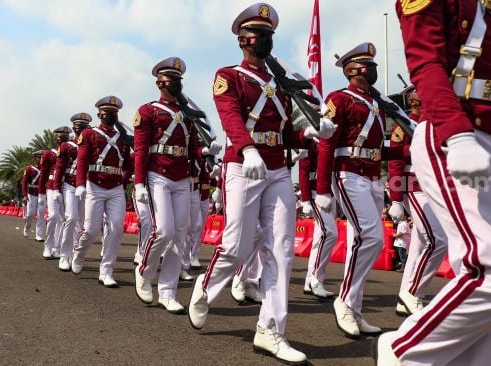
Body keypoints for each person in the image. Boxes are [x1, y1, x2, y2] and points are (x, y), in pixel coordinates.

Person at [186, 3, 334, 364]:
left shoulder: (281, 85)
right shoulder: (229, 76)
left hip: (276, 169)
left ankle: (271, 330)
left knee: (281, 250)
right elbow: (231, 117)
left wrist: (310, 133)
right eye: (260, 35)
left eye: (270, 35)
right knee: (235, 245)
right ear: (243, 39)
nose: (266, 41)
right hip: (242, 166)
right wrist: (247, 149)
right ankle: (205, 287)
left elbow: (285, 131)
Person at [375, 2, 491, 365]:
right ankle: (403, 351)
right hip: (456, 132)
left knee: (486, 286)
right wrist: (457, 136)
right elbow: (425, 64)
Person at [315, 42, 407, 340]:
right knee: (371, 236)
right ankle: (345, 300)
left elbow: (379, 149)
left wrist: (408, 150)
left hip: (372, 176)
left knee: (366, 240)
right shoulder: (338, 99)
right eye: (369, 65)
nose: (374, 70)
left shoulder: (378, 104)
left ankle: (353, 307)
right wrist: (322, 189)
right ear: (352, 70)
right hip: (348, 174)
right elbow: (327, 143)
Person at [133, 56, 218, 314]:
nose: (177, 84)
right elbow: (140, 150)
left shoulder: (188, 115)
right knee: (164, 231)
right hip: (157, 173)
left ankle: (167, 291)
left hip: (182, 176)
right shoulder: (148, 111)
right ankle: (145, 271)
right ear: (160, 82)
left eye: (179, 80)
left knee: (180, 234)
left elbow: (192, 148)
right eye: (172, 79)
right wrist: (138, 184)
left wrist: (205, 151)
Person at [386, 88, 448, 317]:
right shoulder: (403, 126)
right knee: (438, 240)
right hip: (415, 185)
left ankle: (406, 297)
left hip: (435, 187)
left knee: (420, 246)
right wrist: (395, 199)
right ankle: (413, 293)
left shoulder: (435, 125)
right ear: (413, 101)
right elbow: (395, 163)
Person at [71, 95, 133, 288]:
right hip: (94, 185)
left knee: (115, 229)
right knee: (91, 230)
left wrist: (125, 180)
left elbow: (129, 163)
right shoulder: (90, 134)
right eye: (107, 113)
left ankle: (106, 271)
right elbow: (82, 160)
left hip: (115, 187)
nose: (110, 116)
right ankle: (79, 254)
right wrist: (80, 184)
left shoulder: (122, 137)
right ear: (99, 114)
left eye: (114, 113)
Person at [299, 140, 338, 299]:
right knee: (329, 233)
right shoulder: (310, 140)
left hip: (331, 192)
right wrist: (306, 199)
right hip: (315, 192)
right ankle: (316, 278)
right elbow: (303, 170)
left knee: (319, 237)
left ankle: (311, 280)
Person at [53, 113, 91, 271]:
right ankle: (64, 254)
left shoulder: (92, 144)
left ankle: (76, 252)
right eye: (77, 126)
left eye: (83, 126)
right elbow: (59, 169)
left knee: (82, 222)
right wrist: (56, 189)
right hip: (70, 185)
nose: (79, 129)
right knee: (71, 217)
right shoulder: (66, 146)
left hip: (87, 186)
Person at [39, 127, 69, 260]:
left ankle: (57, 247)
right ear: (56, 138)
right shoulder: (48, 154)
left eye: (65, 136)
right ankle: (48, 245)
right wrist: (41, 193)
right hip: (51, 187)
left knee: (63, 219)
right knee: (53, 216)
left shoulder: (69, 151)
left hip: (65, 187)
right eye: (60, 137)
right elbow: (43, 174)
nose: (62, 139)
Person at [22, 150, 46, 241]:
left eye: (41, 158)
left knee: (41, 214)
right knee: (30, 214)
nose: (40, 159)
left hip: (42, 193)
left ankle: (39, 235)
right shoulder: (29, 169)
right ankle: (27, 227)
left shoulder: (46, 168)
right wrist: (24, 195)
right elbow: (24, 183)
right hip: (31, 194)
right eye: (39, 158)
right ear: (35, 158)